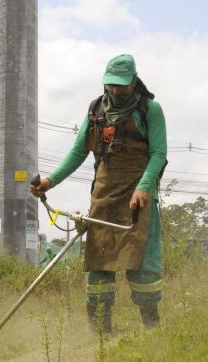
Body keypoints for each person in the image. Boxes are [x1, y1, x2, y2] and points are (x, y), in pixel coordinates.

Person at [31, 54, 167, 332]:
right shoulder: (96, 110)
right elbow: (79, 151)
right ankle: (101, 331)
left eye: (121, 86)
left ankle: (152, 326)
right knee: (99, 262)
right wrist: (50, 181)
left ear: (133, 81)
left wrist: (145, 186)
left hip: (138, 198)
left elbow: (159, 153)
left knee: (142, 262)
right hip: (104, 196)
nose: (115, 91)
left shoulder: (150, 110)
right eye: (111, 85)